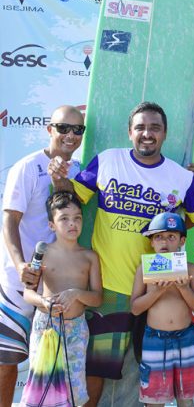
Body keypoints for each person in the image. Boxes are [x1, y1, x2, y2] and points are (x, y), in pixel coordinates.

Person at [48, 101, 194, 406]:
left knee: (147, 378)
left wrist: (168, 240)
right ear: (129, 132)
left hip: (158, 289)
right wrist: (58, 177)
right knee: (96, 371)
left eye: (155, 127)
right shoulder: (108, 160)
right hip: (108, 287)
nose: (147, 133)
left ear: (165, 134)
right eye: (140, 127)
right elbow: (72, 198)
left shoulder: (181, 178)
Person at [0, 105, 84, 405]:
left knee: (51, 366)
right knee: (6, 361)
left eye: (78, 130)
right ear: (50, 129)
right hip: (19, 281)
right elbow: (9, 220)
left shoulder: (80, 171)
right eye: (63, 128)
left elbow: (74, 215)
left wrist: (62, 182)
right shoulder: (27, 166)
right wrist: (20, 264)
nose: (70, 135)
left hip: (56, 286)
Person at [21, 191, 102, 406]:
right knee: (43, 386)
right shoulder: (42, 252)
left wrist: (76, 293)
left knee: (74, 388)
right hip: (46, 328)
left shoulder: (89, 257)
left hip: (76, 329)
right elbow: (28, 293)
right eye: (64, 219)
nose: (72, 223)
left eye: (77, 218)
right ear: (51, 225)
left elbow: (97, 298)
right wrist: (44, 303)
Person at [130, 212, 194, 406]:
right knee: (154, 400)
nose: (165, 242)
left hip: (185, 339)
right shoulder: (144, 269)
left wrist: (183, 288)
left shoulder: (192, 270)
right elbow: (135, 309)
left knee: (186, 400)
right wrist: (156, 293)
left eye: (171, 237)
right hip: (154, 340)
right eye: (158, 237)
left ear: (182, 240)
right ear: (151, 242)